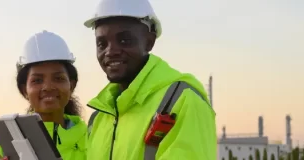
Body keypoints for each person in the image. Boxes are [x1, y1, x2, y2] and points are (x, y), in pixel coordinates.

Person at [82, 0, 217, 159]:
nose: (110, 51)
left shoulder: (182, 100)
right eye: (101, 44)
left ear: (149, 42)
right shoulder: (99, 117)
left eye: (124, 40)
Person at [0, 30, 87, 160]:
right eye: (37, 80)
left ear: (72, 86)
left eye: (58, 78)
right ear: (25, 90)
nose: (48, 87)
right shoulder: (1, 141)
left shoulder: (92, 137)